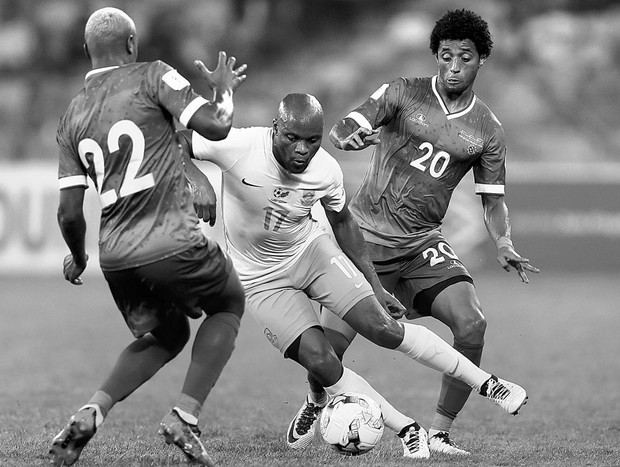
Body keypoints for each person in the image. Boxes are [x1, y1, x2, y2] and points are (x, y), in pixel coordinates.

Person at [181, 92, 528, 459]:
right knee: (323, 359)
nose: (302, 150)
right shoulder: (237, 145)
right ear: (275, 129)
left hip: (312, 253)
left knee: (384, 328)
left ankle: (490, 385)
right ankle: (407, 428)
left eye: (312, 140)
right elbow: (175, 140)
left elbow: (343, 222)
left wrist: (375, 287)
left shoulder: (326, 169)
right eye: (292, 138)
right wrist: (195, 179)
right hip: (261, 280)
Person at [317, 8, 541, 456]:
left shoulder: (488, 130)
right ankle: (313, 402)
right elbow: (347, 126)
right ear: (435, 56)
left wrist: (503, 242)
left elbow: (493, 200)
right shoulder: (402, 93)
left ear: (482, 61)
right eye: (445, 56)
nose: (454, 67)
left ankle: (439, 430)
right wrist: (349, 138)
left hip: (422, 244)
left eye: (465, 57)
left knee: (472, 323)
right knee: (326, 354)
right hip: (364, 240)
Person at [48, 7, 247, 467]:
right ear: (132, 45)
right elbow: (217, 126)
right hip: (170, 237)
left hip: (116, 257)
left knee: (169, 331)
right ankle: (186, 417)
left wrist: (77, 257)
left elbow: (69, 211)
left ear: (87, 52)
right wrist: (222, 91)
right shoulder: (153, 74)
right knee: (228, 303)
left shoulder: (72, 114)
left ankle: (93, 409)